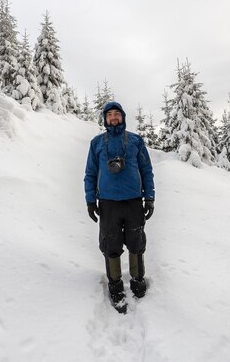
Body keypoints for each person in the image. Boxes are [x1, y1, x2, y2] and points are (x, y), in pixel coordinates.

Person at [84, 101, 155, 313]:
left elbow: (146, 170)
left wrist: (149, 197)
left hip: (133, 202)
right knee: (110, 245)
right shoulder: (97, 143)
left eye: (117, 114)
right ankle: (115, 286)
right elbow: (90, 174)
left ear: (123, 117)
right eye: (109, 115)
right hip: (108, 204)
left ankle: (137, 280)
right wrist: (90, 200)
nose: (113, 118)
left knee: (136, 242)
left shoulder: (135, 141)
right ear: (105, 119)